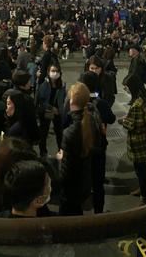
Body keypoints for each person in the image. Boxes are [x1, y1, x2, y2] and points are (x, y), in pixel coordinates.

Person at [119, 75, 146, 205]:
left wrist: (123, 120)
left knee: (140, 168)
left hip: (139, 142)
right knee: (142, 167)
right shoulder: (145, 98)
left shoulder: (137, 104)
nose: (125, 89)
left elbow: (133, 125)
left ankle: (145, 196)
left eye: (126, 87)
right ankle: (143, 189)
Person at [56, 82, 94, 215]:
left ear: (71, 101)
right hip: (84, 182)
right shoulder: (90, 121)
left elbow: (65, 173)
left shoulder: (70, 132)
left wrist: (60, 159)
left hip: (71, 188)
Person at [80, 71, 115, 213]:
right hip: (98, 148)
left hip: (81, 148)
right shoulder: (101, 103)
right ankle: (99, 213)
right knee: (98, 182)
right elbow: (111, 118)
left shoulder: (76, 102)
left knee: (83, 179)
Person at [35, 64, 66, 156]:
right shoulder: (44, 84)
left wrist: (60, 109)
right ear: (48, 72)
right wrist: (51, 108)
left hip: (58, 112)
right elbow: (39, 100)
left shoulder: (62, 85)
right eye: (53, 71)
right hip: (46, 110)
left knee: (59, 133)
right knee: (44, 132)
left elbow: (63, 98)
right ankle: (43, 152)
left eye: (57, 71)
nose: (55, 73)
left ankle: (61, 151)